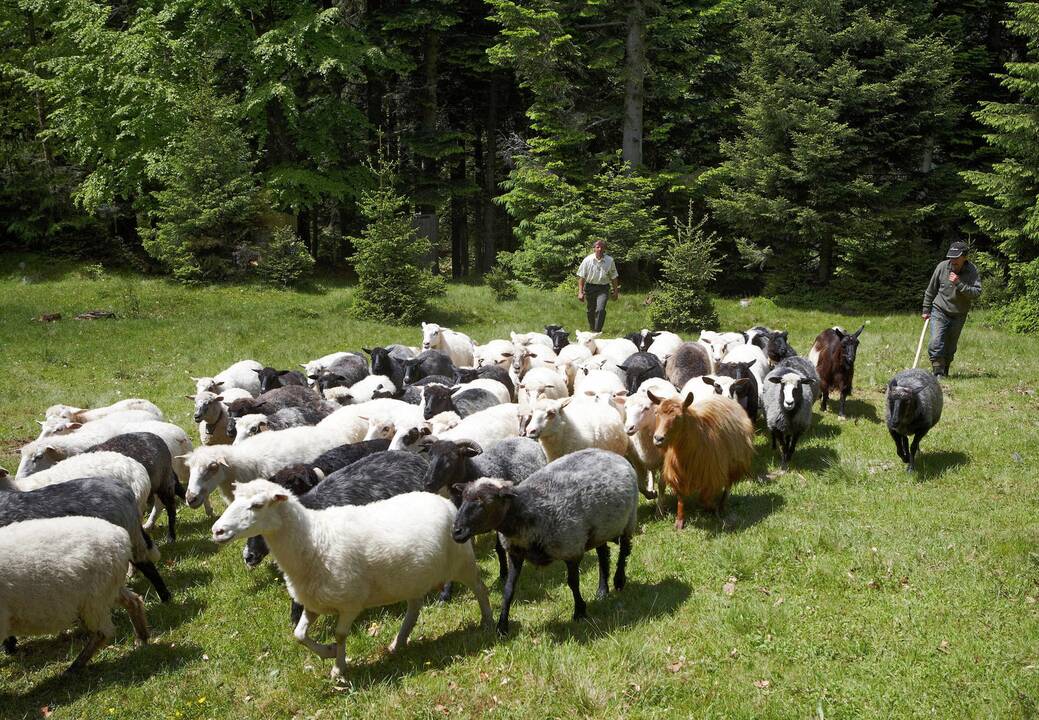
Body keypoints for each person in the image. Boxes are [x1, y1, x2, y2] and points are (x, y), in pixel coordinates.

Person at [921, 241, 982, 377]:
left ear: (964, 257)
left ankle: (945, 369)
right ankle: (938, 372)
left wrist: (959, 283)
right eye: (951, 257)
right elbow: (931, 290)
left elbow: (976, 293)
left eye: (956, 258)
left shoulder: (972, 270)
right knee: (936, 341)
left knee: (950, 347)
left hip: (959, 314)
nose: (952, 261)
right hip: (940, 310)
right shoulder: (942, 267)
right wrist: (926, 309)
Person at [576, 240, 619, 332]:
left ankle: (597, 331)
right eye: (597, 247)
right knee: (591, 310)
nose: (599, 249)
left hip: (603, 288)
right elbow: (582, 277)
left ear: (604, 249)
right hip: (590, 287)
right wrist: (580, 292)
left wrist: (615, 291)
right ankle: (592, 328)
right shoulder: (587, 260)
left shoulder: (609, 260)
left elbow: (614, 277)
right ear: (594, 249)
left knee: (600, 309)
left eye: (602, 247)